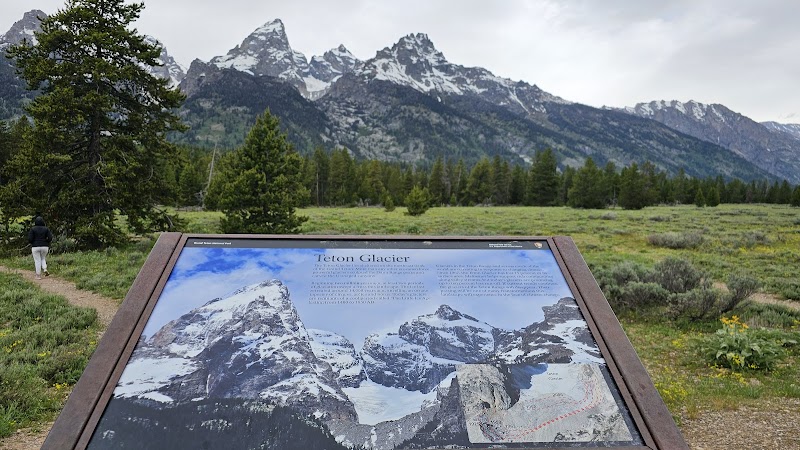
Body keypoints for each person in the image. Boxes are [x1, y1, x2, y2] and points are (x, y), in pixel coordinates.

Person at [28, 216, 53, 280]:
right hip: (45, 246)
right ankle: (44, 268)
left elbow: (30, 239)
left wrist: (33, 242)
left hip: (35, 246)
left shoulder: (33, 229)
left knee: (37, 260)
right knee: (43, 258)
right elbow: (50, 237)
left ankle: (38, 275)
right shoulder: (46, 229)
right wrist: (46, 242)